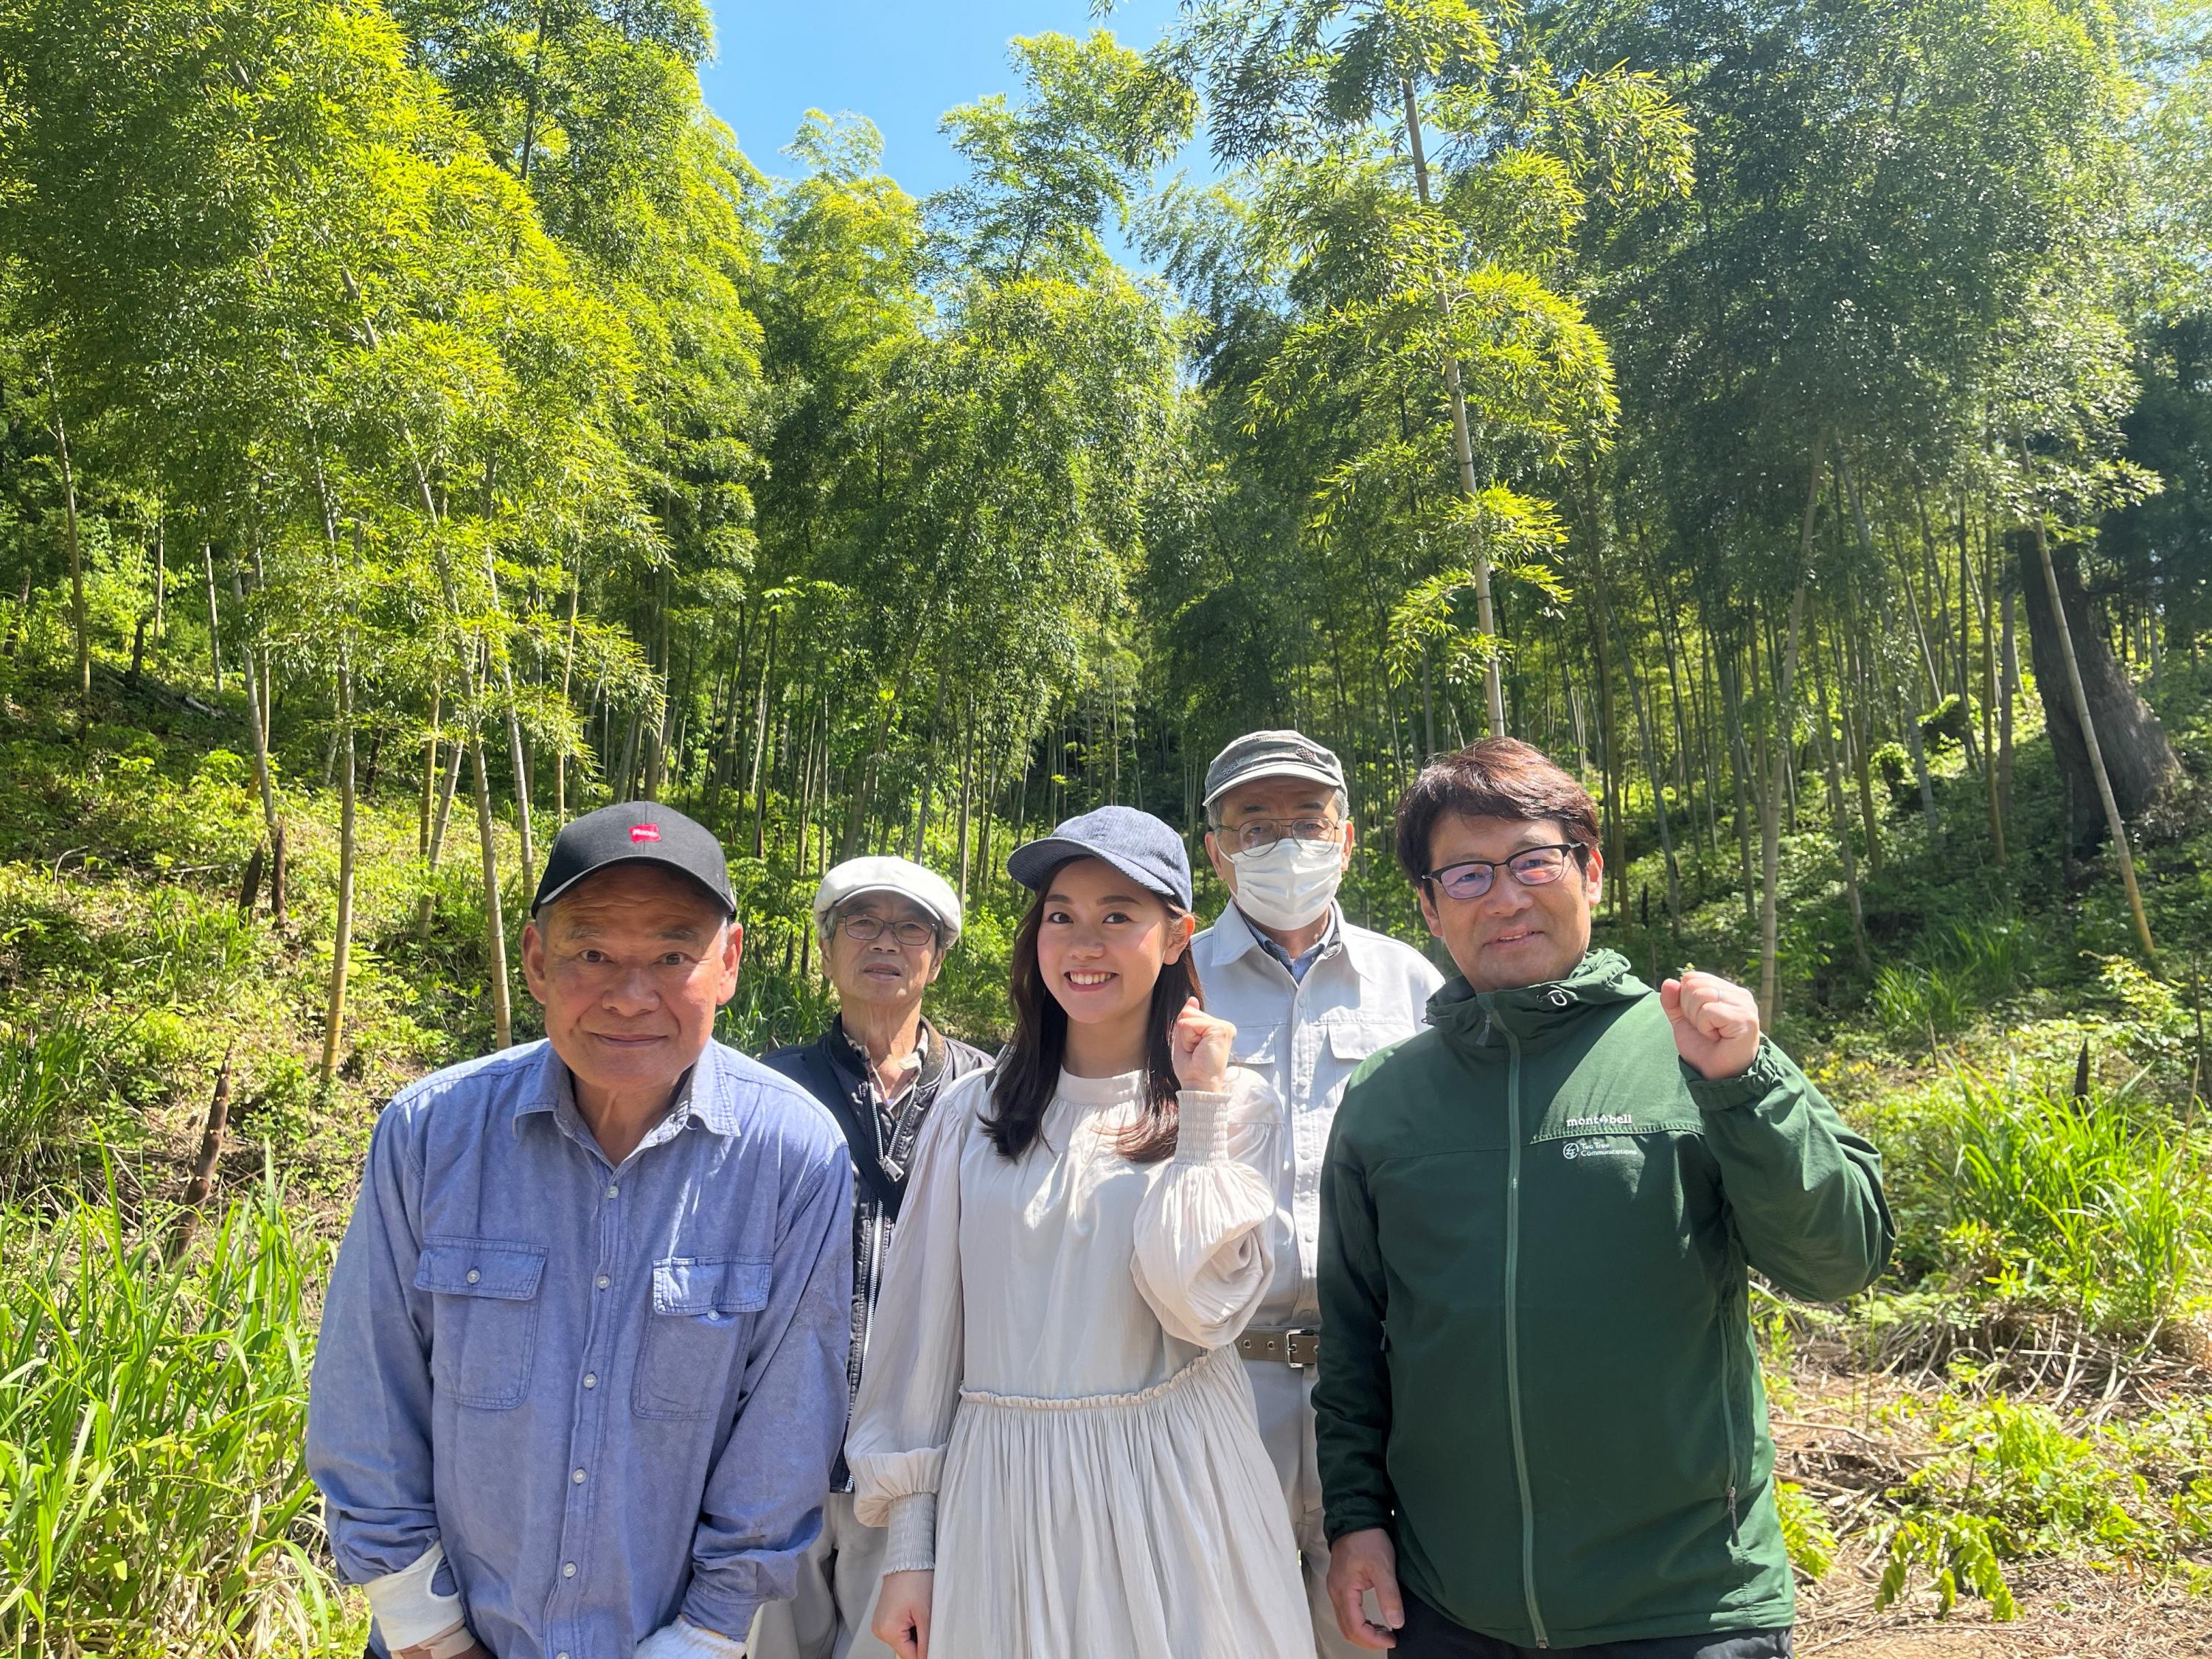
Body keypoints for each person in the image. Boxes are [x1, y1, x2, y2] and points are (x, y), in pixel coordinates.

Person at [1316, 740, 1893, 1659]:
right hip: (1454, 1610)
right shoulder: (1386, 1097)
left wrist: (1745, 1087)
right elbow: (1354, 1339)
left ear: (1591, 872)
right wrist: (1355, 1519)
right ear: (1429, 905)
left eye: (1533, 862)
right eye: (1466, 875)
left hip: (1687, 1606)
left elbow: (1841, 1259)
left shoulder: (1693, 1050)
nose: (1505, 898)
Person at [307, 801, 855, 1659]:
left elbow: (785, 1433)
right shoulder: (431, 1133)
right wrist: (430, 1631)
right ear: (536, 960)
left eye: (672, 956)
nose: (630, 998)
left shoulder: (794, 1155)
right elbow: (366, 1395)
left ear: (728, 964)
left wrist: (702, 1636)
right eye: (593, 954)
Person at [848, 805, 1315, 1659]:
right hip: (1003, 1501)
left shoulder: (1234, 1104)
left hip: (1179, 1496)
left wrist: (1200, 1110)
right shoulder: (970, 1113)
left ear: (1176, 937)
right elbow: (921, 1338)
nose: (1082, 943)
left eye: (1117, 916)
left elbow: (1201, 1309)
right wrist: (910, 1549)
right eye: (1060, 916)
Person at [1189, 730, 1444, 1658]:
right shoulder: (1172, 983)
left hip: (1377, 1385)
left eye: (1307, 821)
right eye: (1254, 826)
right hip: (1216, 1379)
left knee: (1374, 1630)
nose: (1283, 845)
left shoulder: (1410, 982)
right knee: (1221, 1632)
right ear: (1215, 851)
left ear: (1347, 840)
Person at [751, 857, 991, 1659]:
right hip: (778, 1458)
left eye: (910, 929)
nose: (885, 943)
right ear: (826, 948)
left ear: (938, 957)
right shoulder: (768, 1092)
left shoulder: (989, 1096)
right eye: (862, 923)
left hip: (919, 1470)